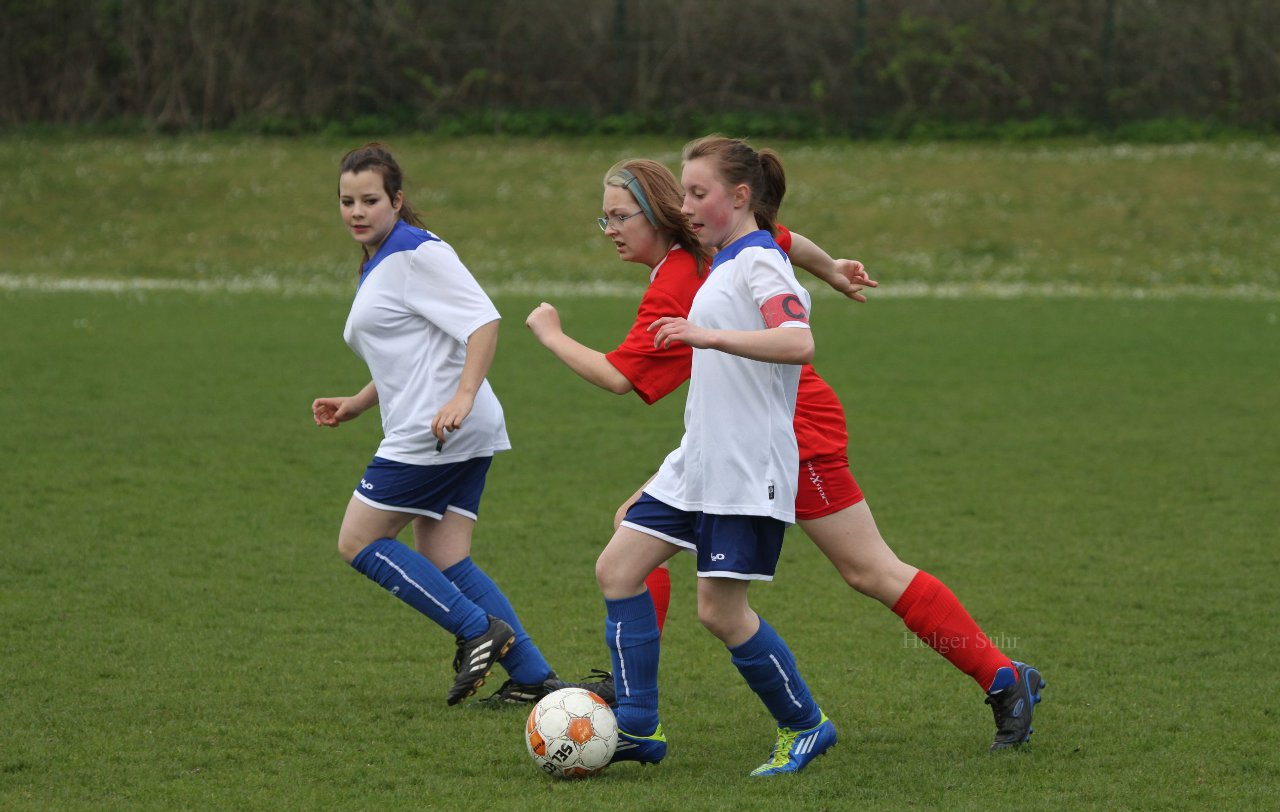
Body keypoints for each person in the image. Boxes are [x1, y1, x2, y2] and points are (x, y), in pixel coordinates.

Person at [527, 151, 1045, 751]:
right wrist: (832, 269)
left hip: (793, 429)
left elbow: (622, 377)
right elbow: (785, 239)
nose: (609, 230)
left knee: (869, 570)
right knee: (631, 534)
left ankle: (1001, 677)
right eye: (606, 218)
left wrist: (551, 335)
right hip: (724, 431)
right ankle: (635, 699)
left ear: (655, 214)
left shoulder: (682, 273)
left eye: (619, 217)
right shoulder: (716, 239)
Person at [572, 136, 840, 777]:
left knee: (720, 612)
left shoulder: (759, 262)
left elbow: (798, 342)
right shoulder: (723, 260)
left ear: (739, 196)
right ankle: (639, 727)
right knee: (618, 569)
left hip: (746, 468)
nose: (685, 205)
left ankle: (806, 725)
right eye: (684, 192)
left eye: (698, 193)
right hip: (698, 462)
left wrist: (707, 335)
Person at [313, 142, 558, 706]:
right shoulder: (383, 258)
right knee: (445, 555)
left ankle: (477, 630)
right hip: (452, 427)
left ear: (396, 200)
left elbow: (482, 322)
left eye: (370, 200)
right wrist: (359, 402)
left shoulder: (416, 252)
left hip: (438, 429)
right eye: (347, 201)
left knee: (359, 540)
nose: (357, 211)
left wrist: (463, 396)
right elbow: (413, 350)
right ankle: (531, 677)